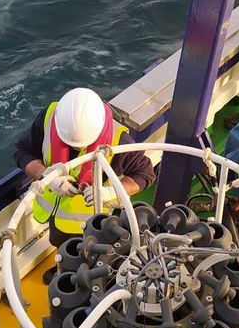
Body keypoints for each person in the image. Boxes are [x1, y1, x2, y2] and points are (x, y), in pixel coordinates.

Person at [13, 87, 156, 249]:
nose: (73, 149)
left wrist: (110, 192)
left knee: (88, 254)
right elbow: (23, 152)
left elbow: (145, 174)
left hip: (90, 224)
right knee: (61, 246)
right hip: (53, 219)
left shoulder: (120, 141)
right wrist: (45, 175)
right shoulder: (50, 117)